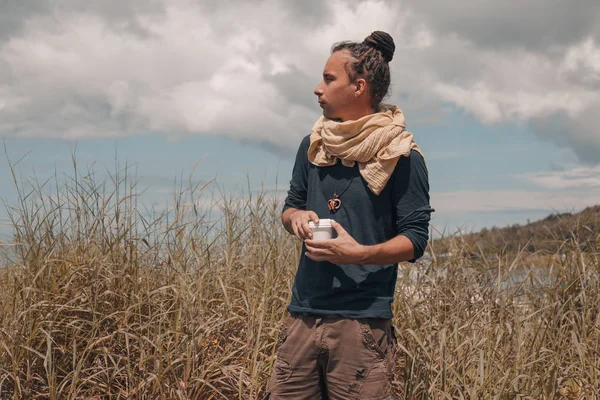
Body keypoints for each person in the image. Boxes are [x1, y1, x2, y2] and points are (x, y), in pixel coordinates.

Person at [268, 31, 433, 400]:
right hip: (302, 317)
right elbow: (291, 205)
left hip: (362, 325)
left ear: (359, 87)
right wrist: (294, 218)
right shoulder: (313, 144)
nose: (317, 89)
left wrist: (358, 254)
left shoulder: (402, 155)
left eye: (328, 79)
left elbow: (416, 239)